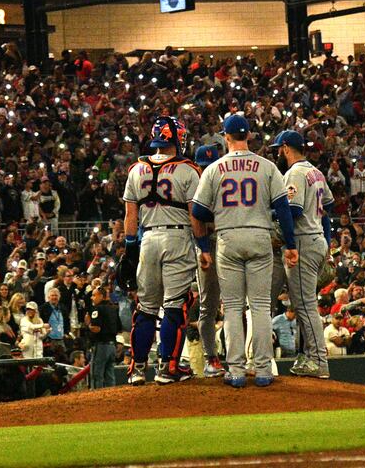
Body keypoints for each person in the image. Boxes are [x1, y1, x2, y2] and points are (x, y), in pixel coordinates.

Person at [191, 113, 296, 387]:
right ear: (248, 135)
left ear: (226, 137)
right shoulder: (267, 166)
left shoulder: (214, 169)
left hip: (228, 237)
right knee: (260, 307)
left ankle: (236, 370)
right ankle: (262, 369)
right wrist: (291, 244)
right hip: (260, 235)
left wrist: (205, 243)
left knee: (234, 308)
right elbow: (283, 208)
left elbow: (198, 211)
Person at [120, 115, 202, 384]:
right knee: (174, 305)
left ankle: (138, 369)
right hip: (177, 237)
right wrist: (203, 245)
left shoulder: (136, 169)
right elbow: (195, 214)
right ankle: (168, 368)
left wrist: (130, 248)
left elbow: (130, 216)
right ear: (176, 138)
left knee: (146, 307)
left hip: (147, 240)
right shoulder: (188, 170)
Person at [272, 129, 333, 378]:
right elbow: (327, 209)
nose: (278, 152)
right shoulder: (316, 172)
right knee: (306, 303)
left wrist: (271, 213)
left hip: (304, 241)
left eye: (279, 148)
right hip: (317, 239)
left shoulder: (295, 173)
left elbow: (293, 210)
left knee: (305, 305)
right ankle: (311, 357)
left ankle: (318, 360)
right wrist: (327, 245)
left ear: (286, 148)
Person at [192, 141, 226, 378]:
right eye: (204, 165)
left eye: (210, 165)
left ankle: (237, 359)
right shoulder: (195, 186)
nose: (207, 169)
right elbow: (195, 220)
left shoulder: (225, 184)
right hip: (205, 245)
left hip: (226, 243)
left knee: (235, 306)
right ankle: (211, 358)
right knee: (209, 305)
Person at [82, 284, 120, 389]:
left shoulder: (97, 309)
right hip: (112, 346)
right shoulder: (113, 309)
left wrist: (89, 324)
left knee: (96, 374)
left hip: (101, 346)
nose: (91, 298)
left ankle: (96, 399)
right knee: (110, 375)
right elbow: (119, 328)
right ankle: (111, 397)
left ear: (101, 296)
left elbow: (96, 328)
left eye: (94, 295)